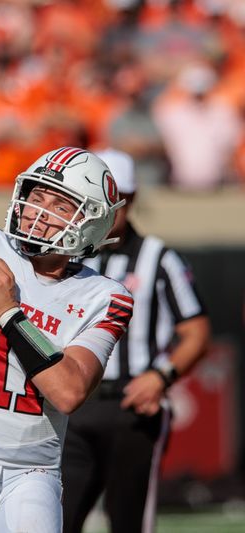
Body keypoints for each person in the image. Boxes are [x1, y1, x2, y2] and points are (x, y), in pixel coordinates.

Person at [0, 147, 134, 533]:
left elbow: (68, 392)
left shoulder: (104, 296)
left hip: (29, 475)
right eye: (36, 196)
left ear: (91, 222)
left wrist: (10, 313)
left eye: (60, 204)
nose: (40, 210)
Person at [61, 148, 211, 533]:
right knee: (56, 517)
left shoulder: (158, 257)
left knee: (129, 521)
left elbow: (196, 331)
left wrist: (161, 376)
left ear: (131, 200)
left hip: (133, 405)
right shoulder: (67, 254)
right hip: (73, 404)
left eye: (116, 200)